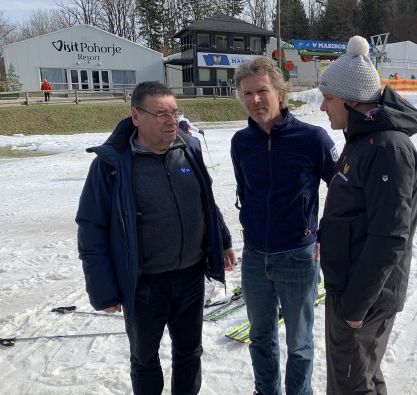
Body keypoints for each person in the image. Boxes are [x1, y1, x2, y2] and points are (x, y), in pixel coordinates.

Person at [76, 81, 235, 394]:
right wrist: (103, 289)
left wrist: (223, 239)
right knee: (145, 360)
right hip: (144, 285)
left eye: (174, 112)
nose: (171, 120)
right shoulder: (111, 166)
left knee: (190, 353)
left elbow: (206, 201)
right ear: (136, 116)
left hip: (190, 277)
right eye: (160, 113)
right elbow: (90, 227)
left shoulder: (189, 149)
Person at [318, 35, 417, 394]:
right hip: (349, 286)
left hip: (364, 297)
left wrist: (354, 306)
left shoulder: (387, 149)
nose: (322, 107)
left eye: (328, 99)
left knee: (350, 385)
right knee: (362, 375)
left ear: (353, 101)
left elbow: (390, 236)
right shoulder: (362, 139)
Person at [231, 57, 337, 395]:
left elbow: (341, 188)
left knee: (299, 342)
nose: (255, 100)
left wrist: (325, 235)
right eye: (247, 93)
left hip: (298, 256)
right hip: (255, 258)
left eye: (262, 91)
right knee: (260, 337)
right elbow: (245, 192)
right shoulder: (240, 143)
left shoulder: (312, 139)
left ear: (280, 91)